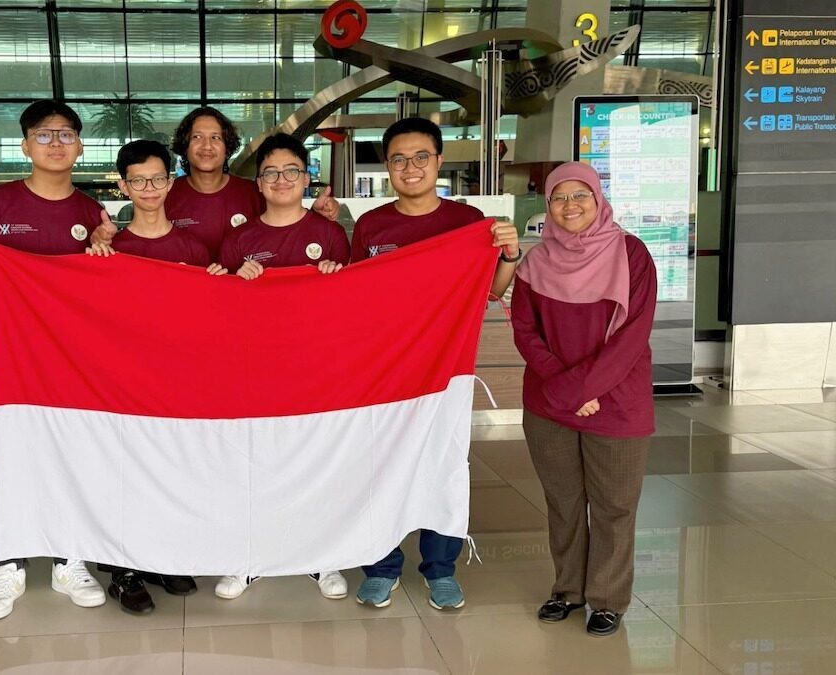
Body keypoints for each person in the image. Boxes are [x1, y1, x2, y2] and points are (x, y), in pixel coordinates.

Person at [0, 100, 107, 620]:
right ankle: (9, 565)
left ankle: (68, 558)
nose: (56, 143)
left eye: (66, 135)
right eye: (44, 134)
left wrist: (107, 249)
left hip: (75, 364)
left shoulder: (91, 213)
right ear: (24, 145)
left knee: (74, 462)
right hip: (8, 360)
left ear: (80, 146)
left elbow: (105, 292)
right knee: (6, 465)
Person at [350, 117, 521, 611]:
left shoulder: (467, 222)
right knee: (381, 466)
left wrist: (509, 254)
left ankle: (440, 569)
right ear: (387, 167)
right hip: (383, 369)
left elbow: (491, 290)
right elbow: (353, 297)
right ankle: (380, 566)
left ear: (439, 162)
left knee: (443, 463)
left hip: (445, 369)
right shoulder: (372, 226)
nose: (411, 167)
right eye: (399, 159)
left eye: (421, 156)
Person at [511, 162, 656, 637]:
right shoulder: (535, 261)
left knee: (614, 505)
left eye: (581, 196)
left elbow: (631, 337)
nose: (570, 205)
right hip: (551, 403)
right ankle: (568, 590)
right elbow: (526, 332)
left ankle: (608, 599)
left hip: (616, 400)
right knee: (564, 501)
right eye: (558, 197)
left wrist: (583, 391)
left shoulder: (631, 255)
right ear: (547, 205)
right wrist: (568, 390)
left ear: (598, 200)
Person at [86, 139, 227, 614]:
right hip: (123, 382)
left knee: (171, 468)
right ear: (123, 185)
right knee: (123, 470)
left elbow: (213, 318)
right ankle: (124, 569)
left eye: (158, 178)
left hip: (178, 382)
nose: (149, 188)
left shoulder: (192, 246)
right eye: (138, 180)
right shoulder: (110, 248)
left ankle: (165, 555)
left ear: (171, 182)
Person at [215, 132, 350, 601]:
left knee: (314, 465)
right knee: (253, 466)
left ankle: (320, 557)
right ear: (259, 182)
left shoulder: (329, 234)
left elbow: (356, 305)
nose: (281, 179)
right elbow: (220, 313)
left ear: (307, 177)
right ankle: (248, 558)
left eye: (291, 170)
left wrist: (337, 279)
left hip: (315, 372)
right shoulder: (239, 239)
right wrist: (233, 280)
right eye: (270, 172)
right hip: (254, 373)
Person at [91, 107, 339, 262]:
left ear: (227, 146)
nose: (207, 146)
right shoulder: (165, 193)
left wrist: (315, 218)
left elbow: (285, 215)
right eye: (197, 137)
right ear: (185, 147)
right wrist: (102, 240)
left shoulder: (254, 191)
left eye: (215, 138)